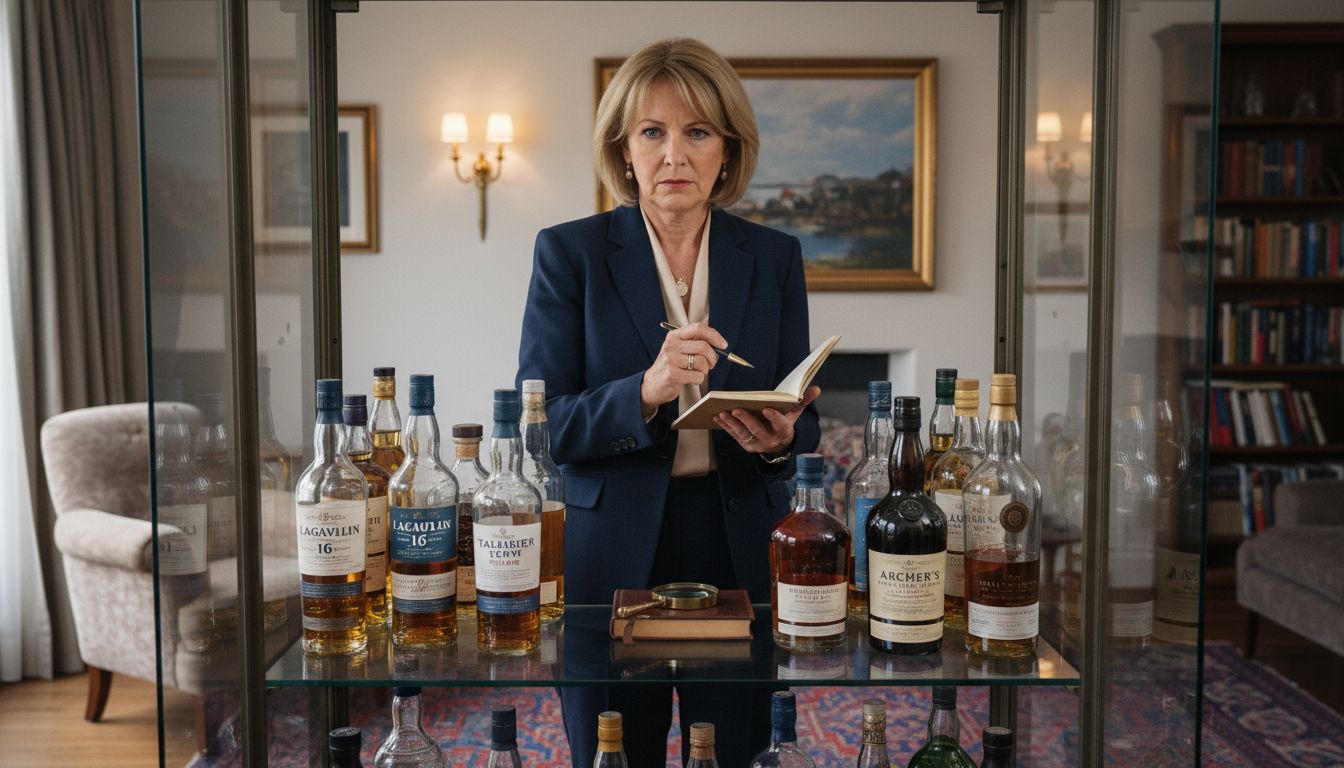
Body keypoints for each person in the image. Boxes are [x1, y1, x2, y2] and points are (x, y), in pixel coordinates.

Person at [515, 37, 821, 768]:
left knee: (737, 748)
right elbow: (545, 428)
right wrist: (645, 392)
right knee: (616, 750)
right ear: (624, 150)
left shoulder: (774, 256)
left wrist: (778, 438)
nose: (674, 155)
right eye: (652, 132)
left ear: (728, 149)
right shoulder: (570, 253)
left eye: (697, 132)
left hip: (738, 535)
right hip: (611, 549)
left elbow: (796, 423)